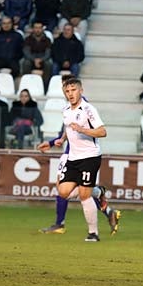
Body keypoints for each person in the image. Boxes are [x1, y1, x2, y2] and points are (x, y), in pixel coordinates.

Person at [37, 78, 110, 242]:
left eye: (73, 90)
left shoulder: (88, 109)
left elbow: (102, 132)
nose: (70, 94)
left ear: (81, 91)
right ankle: (98, 191)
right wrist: (61, 140)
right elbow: (68, 127)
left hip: (90, 157)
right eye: (67, 91)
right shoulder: (66, 110)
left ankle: (93, 233)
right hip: (73, 158)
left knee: (84, 196)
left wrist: (83, 129)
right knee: (63, 192)